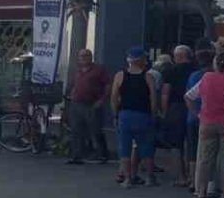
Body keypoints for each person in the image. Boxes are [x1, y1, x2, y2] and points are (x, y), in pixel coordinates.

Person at [187, 51, 224, 198]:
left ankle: (201, 192)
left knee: (204, 158)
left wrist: (197, 114)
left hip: (207, 121)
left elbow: (189, 96)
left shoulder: (207, 77)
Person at [110, 46, 160, 188]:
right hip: (143, 114)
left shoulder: (120, 75)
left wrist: (115, 114)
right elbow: (153, 98)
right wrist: (154, 114)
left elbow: (114, 97)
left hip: (125, 115)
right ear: (142, 60)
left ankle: (127, 179)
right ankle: (150, 177)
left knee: (124, 148)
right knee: (146, 147)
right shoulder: (148, 76)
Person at [66, 49, 111, 164]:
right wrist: (71, 94)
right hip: (76, 104)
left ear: (91, 57)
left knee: (95, 130)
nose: (84, 58)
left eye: (86, 55)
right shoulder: (77, 70)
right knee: (76, 130)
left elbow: (107, 86)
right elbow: (73, 84)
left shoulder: (99, 70)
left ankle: (102, 154)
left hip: (92, 104)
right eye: (81, 56)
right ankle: (77, 156)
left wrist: (102, 100)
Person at [160, 45, 195, 186]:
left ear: (177, 56)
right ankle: (193, 176)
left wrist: (164, 111)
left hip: (176, 107)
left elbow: (165, 92)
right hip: (193, 107)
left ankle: (181, 176)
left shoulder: (170, 71)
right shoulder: (195, 70)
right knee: (192, 142)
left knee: (176, 144)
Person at [185, 49, 215, 195]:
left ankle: (193, 181)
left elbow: (188, 94)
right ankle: (209, 184)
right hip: (210, 117)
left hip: (194, 117)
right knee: (210, 153)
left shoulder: (194, 75)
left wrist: (193, 113)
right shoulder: (213, 76)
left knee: (193, 149)